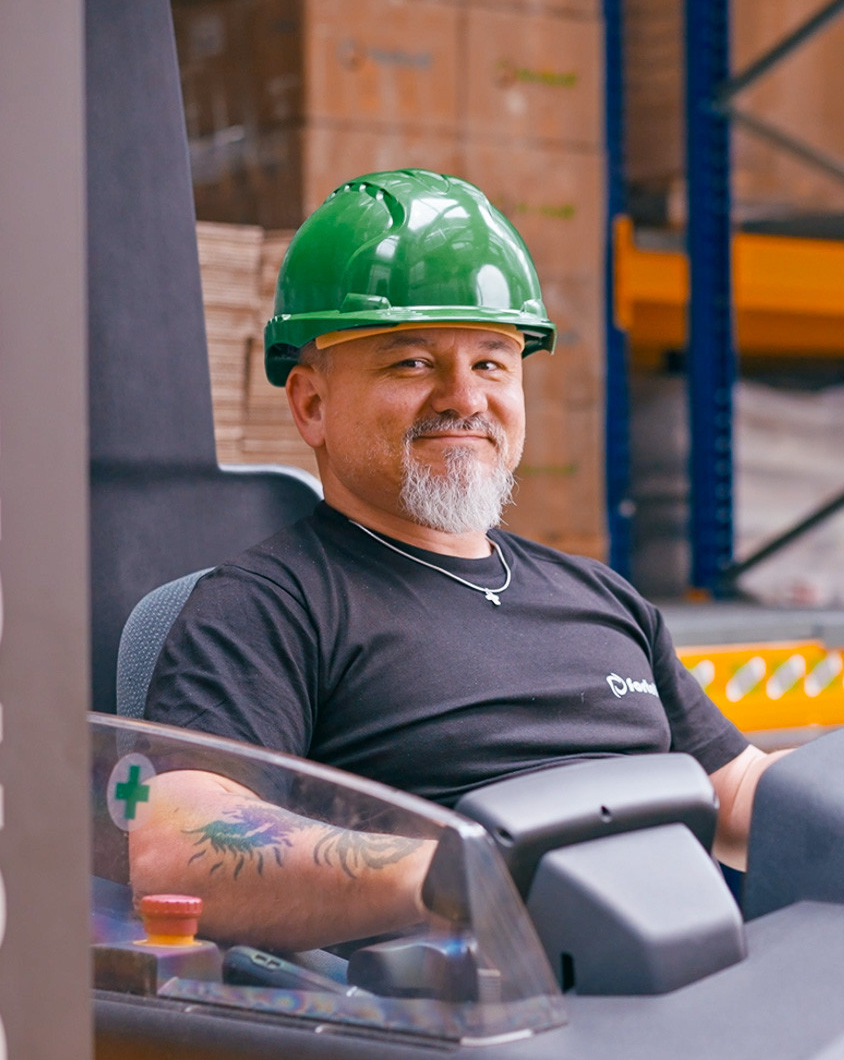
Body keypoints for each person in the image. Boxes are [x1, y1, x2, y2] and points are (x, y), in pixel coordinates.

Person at [132, 170, 782, 952]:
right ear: (311, 404)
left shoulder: (602, 596)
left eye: (492, 362)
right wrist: (463, 874)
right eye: (412, 362)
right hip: (473, 1006)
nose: (465, 399)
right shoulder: (269, 606)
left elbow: (737, 791)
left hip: (689, 972)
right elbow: (178, 850)